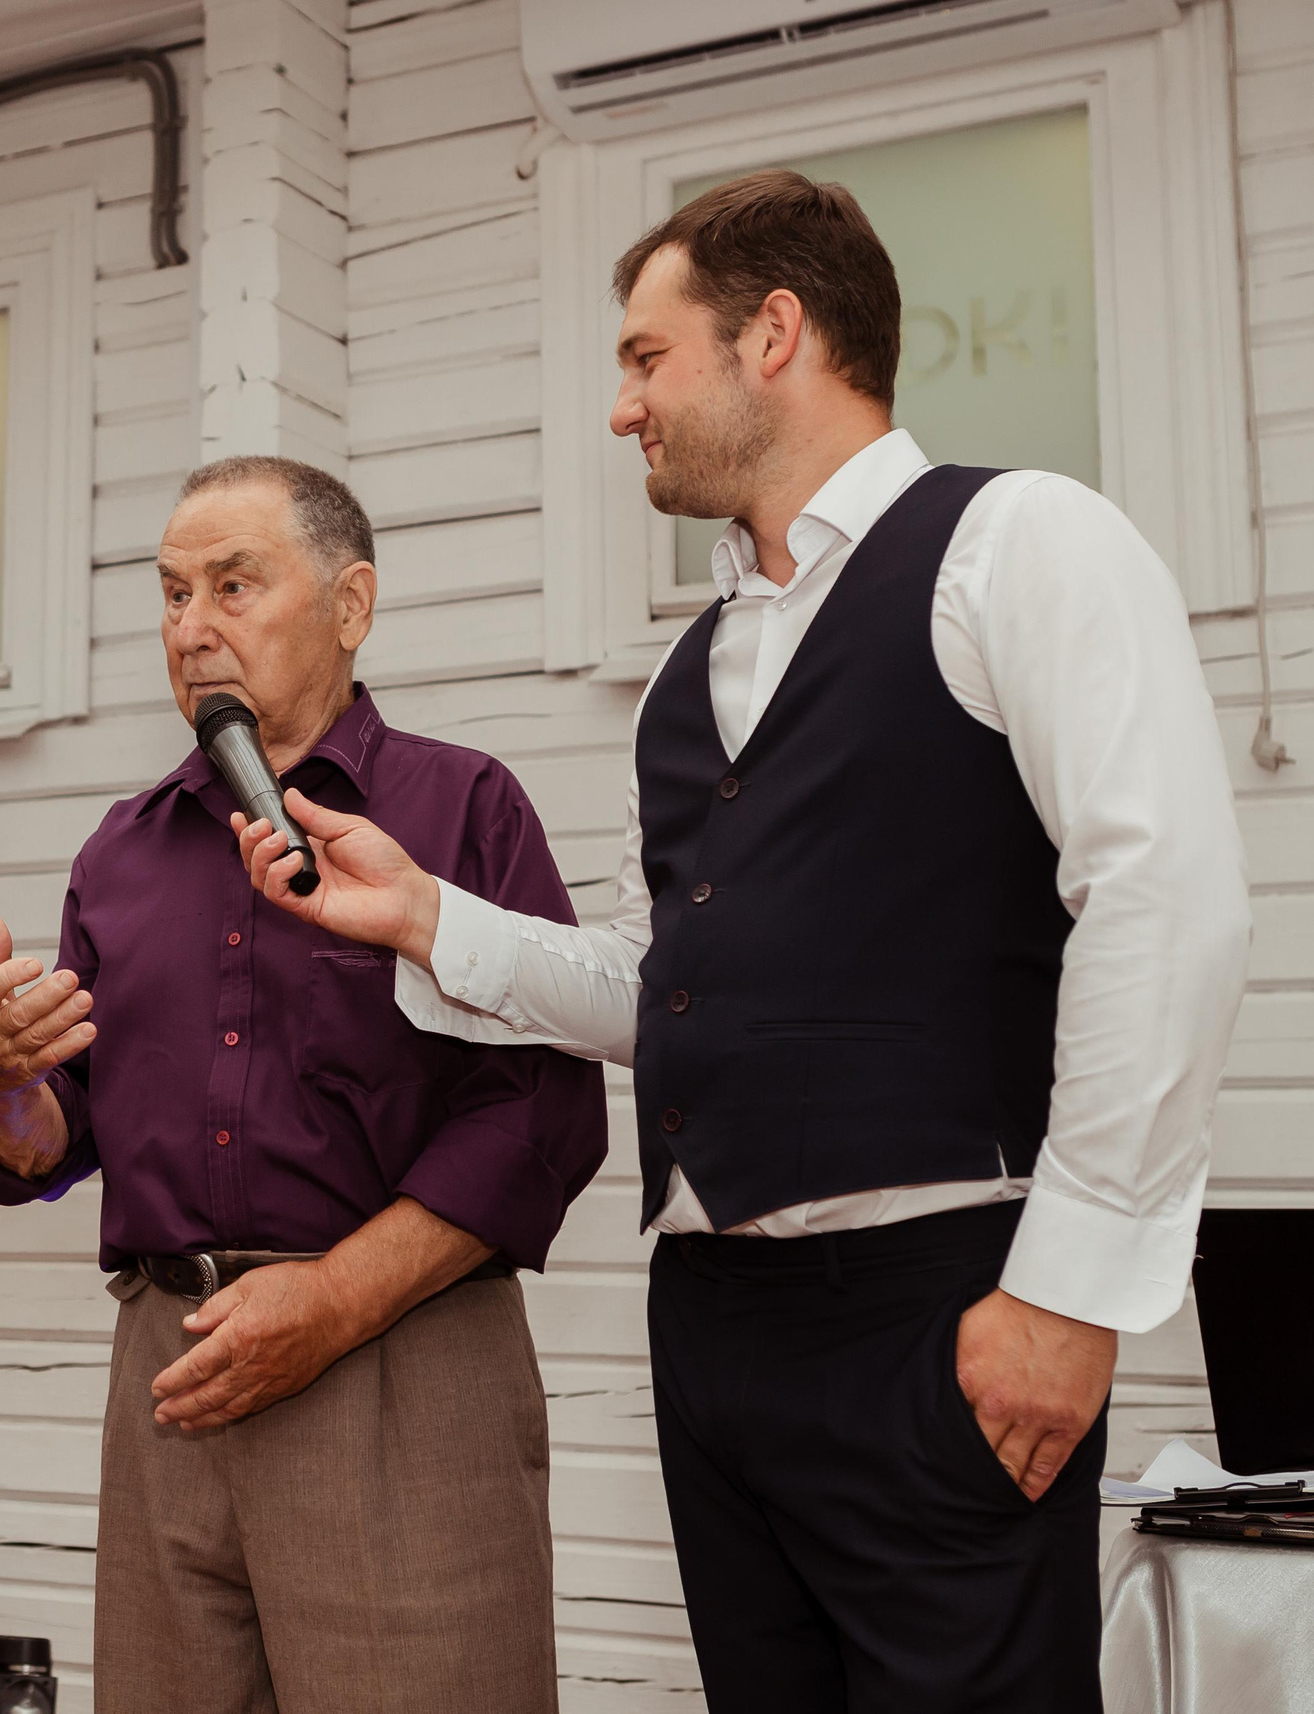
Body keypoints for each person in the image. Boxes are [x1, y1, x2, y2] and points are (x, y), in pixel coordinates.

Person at [232, 172, 1252, 1711]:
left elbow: (1167, 898)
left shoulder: (1018, 543)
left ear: (774, 332)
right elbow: (681, 985)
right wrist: (425, 916)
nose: (626, 407)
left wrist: (1069, 1292)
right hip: (712, 1329)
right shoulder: (684, 674)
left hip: (938, 1305)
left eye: (648, 358)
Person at [0, 456, 607, 1713]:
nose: (189, 627)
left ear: (349, 605)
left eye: (232, 585)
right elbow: (49, 1142)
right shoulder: (120, 851)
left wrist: (334, 1302)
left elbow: (541, 1116)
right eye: (170, 593)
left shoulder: (459, 806)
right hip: (172, 1371)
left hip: (397, 1364)